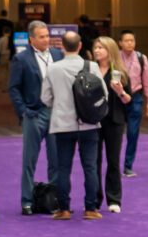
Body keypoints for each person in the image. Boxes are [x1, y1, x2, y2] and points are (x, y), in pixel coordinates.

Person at [44, 30, 104, 221]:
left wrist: (60, 103)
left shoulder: (53, 68)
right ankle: (90, 208)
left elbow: (44, 97)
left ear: (62, 46)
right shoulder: (92, 66)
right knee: (90, 167)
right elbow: (104, 95)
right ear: (80, 46)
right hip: (88, 123)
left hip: (62, 124)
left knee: (63, 167)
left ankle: (64, 209)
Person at [9, 21, 54, 197]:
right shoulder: (21, 59)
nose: (46, 40)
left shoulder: (57, 55)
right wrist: (23, 111)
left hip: (56, 114)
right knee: (30, 160)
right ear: (31, 39)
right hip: (33, 114)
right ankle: (27, 199)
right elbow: (14, 88)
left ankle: (55, 198)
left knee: (56, 160)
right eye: (42, 37)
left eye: (47, 36)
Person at [91, 36, 130, 214]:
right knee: (94, 161)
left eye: (101, 48)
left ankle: (114, 199)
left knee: (113, 161)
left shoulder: (120, 72)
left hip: (114, 121)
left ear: (110, 50)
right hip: (94, 121)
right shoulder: (90, 70)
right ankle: (94, 199)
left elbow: (129, 100)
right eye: (96, 47)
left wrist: (121, 91)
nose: (97, 50)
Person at [117, 30, 148, 175]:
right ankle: (113, 163)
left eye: (132, 40)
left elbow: (147, 80)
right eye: (126, 40)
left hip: (136, 97)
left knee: (133, 132)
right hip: (117, 98)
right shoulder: (115, 58)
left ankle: (128, 165)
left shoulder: (141, 58)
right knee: (116, 133)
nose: (130, 43)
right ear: (120, 43)